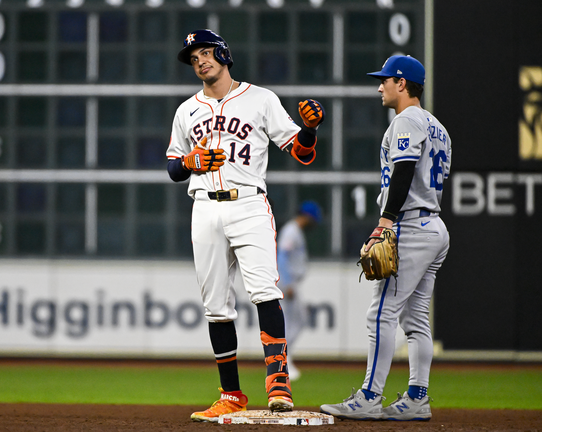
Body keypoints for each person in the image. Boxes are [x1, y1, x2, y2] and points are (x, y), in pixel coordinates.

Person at [165, 29, 325, 422]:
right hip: (203, 207)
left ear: (222, 53)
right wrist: (190, 163)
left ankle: (278, 382)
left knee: (264, 292)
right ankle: (231, 394)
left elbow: (301, 153)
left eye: (205, 52)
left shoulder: (261, 99)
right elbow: (172, 166)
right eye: (193, 57)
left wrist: (309, 131)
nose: (199, 61)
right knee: (216, 306)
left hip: (249, 203)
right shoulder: (187, 110)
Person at [320, 55, 451, 421]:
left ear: (402, 83)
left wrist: (386, 221)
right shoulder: (438, 127)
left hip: (410, 225)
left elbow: (404, 170)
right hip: (434, 226)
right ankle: (417, 398)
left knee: (380, 312)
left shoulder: (406, 120)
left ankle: (369, 397)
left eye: (386, 80)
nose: (380, 86)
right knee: (416, 319)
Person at [277, 200, 322, 381]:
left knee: (295, 321)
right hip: (287, 284)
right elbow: (282, 257)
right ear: (308, 216)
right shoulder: (291, 230)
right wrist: (287, 284)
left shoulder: (295, 231)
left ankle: (285, 360)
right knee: (294, 321)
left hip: (290, 283)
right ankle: (284, 361)